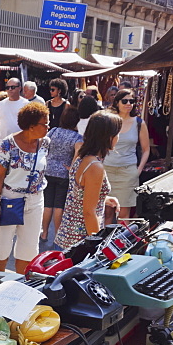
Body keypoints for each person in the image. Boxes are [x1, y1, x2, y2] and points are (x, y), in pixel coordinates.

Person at [0, 101, 50, 274]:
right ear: (31, 126)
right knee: (3, 242)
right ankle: (0, 277)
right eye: (44, 124)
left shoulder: (45, 143)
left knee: (29, 246)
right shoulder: (8, 144)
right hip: (10, 198)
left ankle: (19, 281)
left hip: (36, 199)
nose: (48, 127)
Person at [56, 111, 122, 250]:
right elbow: (89, 212)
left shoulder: (82, 155)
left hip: (71, 235)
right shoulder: (95, 166)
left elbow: (80, 194)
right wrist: (99, 245)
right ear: (107, 136)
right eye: (116, 134)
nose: (118, 137)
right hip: (83, 239)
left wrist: (103, 198)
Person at [101, 88, 151, 217]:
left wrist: (138, 170)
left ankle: (122, 238)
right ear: (117, 102)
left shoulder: (139, 123)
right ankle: (107, 237)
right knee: (107, 212)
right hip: (107, 170)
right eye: (125, 101)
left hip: (128, 171)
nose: (129, 104)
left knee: (124, 213)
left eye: (131, 101)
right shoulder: (109, 120)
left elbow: (146, 149)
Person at [41, 104, 81, 241]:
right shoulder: (77, 137)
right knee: (59, 206)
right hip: (64, 174)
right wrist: (72, 167)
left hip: (48, 170)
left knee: (47, 204)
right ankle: (58, 234)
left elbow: (43, 145)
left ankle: (44, 232)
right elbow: (78, 153)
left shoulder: (53, 131)